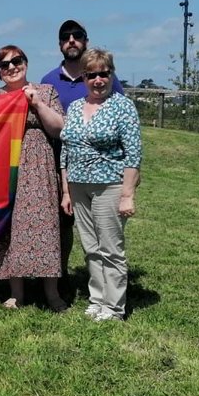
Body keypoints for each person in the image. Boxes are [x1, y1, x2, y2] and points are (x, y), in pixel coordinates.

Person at [0, 46, 68, 311]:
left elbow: (59, 128)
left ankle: (51, 292)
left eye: (16, 61)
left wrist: (36, 103)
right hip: (4, 167)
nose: (11, 67)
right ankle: (16, 291)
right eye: (3, 64)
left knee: (44, 225)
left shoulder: (45, 91)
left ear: (26, 63)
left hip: (37, 167)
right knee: (11, 228)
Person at [41, 19, 125, 293]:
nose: (72, 41)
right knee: (62, 224)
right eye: (66, 37)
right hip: (59, 163)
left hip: (104, 171)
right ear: (60, 44)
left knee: (103, 231)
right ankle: (60, 274)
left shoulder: (104, 78)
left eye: (77, 36)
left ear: (85, 41)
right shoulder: (49, 80)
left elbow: (122, 122)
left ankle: (108, 290)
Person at [59, 49, 143, 322]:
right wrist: (65, 191)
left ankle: (115, 306)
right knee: (91, 247)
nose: (97, 80)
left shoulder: (123, 106)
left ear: (111, 74)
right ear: (83, 77)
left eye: (103, 74)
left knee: (110, 248)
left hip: (110, 185)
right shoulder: (74, 107)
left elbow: (133, 153)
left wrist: (127, 195)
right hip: (78, 185)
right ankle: (97, 299)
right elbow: (66, 151)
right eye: (91, 74)